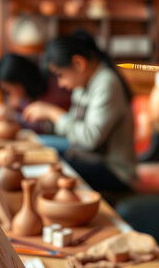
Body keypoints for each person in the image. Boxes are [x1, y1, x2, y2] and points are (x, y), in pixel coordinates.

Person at [22, 30, 136, 196]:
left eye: (60, 75)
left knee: (51, 168)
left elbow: (90, 139)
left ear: (78, 64)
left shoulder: (107, 82)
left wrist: (53, 113)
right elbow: (74, 130)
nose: (60, 83)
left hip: (114, 171)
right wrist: (48, 120)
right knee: (40, 150)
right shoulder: (85, 84)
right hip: (88, 158)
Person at [0, 53, 71, 134]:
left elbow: (63, 126)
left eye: (8, 91)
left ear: (21, 82)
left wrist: (49, 111)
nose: (9, 96)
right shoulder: (26, 98)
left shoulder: (56, 87)